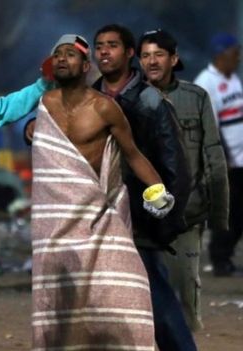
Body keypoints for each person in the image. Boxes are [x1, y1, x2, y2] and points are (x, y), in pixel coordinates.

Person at [30, 33, 171, 350]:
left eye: (70, 54)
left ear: (85, 65)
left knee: (125, 288)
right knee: (59, 304)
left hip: (99, 220)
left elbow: (132, 154)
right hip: (53, 227)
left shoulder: (105, 108)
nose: (62, 59)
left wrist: (159, 190)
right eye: (58, 55)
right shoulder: (44, 106)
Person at [91, 24, 195, 351]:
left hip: (140, 220)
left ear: (129, 53)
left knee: (155, 301)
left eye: (113, 46)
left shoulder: (149, 101)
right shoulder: (88, 100)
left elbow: (175, 165)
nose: (104, 52)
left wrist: (164, 220)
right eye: (99, 46)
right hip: (98, 221)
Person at [137, 29, 229, 330]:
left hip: (184, 216)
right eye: (146, 55)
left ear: (173, 59)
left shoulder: (196, 98)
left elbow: (213, 156)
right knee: (139, 297)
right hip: (139, 219)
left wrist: (218, 219)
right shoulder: (126, 99)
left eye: (159, 55)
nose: (152, 61)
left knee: (184, 295)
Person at [194, 33, 243, 277]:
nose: (239, 58)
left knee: (239, 213)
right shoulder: (206, 81)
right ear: (221, 54)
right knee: (229, 213)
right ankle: (220, 259)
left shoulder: (232, 79)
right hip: (228, 161)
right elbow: (210, 124)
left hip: (241, 157)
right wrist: (224, 158)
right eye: (235, 53)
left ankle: (225, 257)